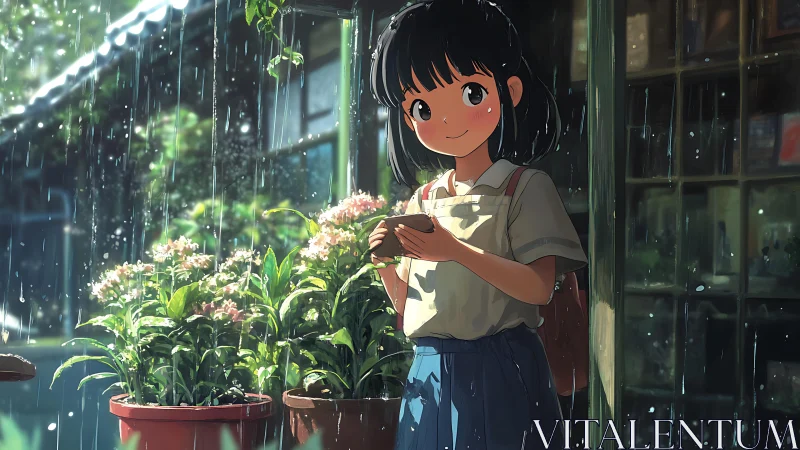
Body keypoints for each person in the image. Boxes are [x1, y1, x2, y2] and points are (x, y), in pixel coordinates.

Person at [367, 0, 587, 449]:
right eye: (423, 107)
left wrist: (456, 252)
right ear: (408, 118)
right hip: (429, 369)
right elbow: (411, 307)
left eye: (470, 94)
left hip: (502, 365)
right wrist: (386, 267)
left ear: (510, 91)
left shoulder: (523, 187)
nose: (445, 120)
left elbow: (539, 288)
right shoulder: (424, 198)